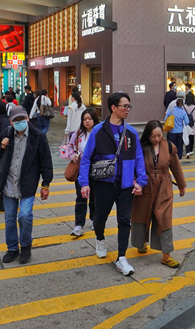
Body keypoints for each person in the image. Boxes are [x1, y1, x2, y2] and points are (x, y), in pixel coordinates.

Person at [79, 92, 147, 275]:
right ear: (113, 108)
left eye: (129, 106)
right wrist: (84, 183)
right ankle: (99, 238)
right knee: (100, 217)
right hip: (103, 184)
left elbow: (139, 158)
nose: (127, 109)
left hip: (125, 186)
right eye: (124, 106)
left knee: (124, 220)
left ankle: (122, 257)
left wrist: (141, 181)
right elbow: (86, 159)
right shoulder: (98, 131)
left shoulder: (131, 132)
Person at [0, 106, 53, 265]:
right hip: (8, 183)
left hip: (27, 183)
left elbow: (46, 162)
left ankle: (26, 245)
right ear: (11, 122)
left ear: (28, 118)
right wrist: (2, 146)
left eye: (22, 119)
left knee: (25, 215)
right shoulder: (7, 134)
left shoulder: (38, 136)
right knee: (10, 219)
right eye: (16, 120)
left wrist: (45, 184)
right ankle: (12, 248)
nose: (20, 122)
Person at [132, 120, 187, 268]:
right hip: (145, 186)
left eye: (159, 135)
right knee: (142, 215)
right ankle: (141, 242)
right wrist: (134, 182)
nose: (157, 139)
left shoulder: (168, 146)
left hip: (164, 187)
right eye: (153, 136)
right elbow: (134, 167)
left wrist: (181, 186)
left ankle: (166, 255)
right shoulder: (141, 148)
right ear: (147, 136)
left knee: (165, 219)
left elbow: (176, 168)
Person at [67, 109, 99, 237]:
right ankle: (79, 225)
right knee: (80, 197)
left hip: (96, 169)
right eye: (85, 119)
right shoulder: (78, 134)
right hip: (81, 169)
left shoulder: (99, 133)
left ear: (94, 120)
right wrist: (72, 155)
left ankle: (94, 219)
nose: (87, 121)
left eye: (90, 118)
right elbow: (69, 147)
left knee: (94, 197)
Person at [183, 94, 195, 159]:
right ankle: (191, 150)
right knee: (192, 137)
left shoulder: (183, 106)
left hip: (186, 124)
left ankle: (187, 150)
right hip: (194, 124)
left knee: (186, 136)